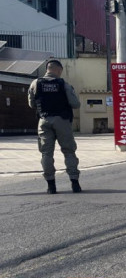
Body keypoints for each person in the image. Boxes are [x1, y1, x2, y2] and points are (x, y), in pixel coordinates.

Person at [27, 59, 82, 194]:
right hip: (62, 120)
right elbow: (75, 104)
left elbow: (31, 104)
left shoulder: (35, 83)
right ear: (58, 70)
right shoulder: (63, 84)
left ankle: (51, 186)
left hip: (44, 120)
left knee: (46, 153)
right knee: (69, 151)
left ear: (47, 69)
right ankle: (75, 183)